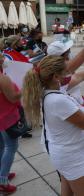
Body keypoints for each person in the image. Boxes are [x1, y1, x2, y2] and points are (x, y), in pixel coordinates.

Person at [22, 56, 84, 196]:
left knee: (67, 193)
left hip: (64, 153)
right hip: (71, 157)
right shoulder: (58, 100)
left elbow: (77, 77)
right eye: (66, 71)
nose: (69, 73)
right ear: (55, 76)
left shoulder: (49, 90)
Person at [0, 53, 21, 194]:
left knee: (1, 145)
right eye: (1, 55)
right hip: (6, 116)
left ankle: (3, 173)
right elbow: (13, 98)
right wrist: (25, 88)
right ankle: (2, 180)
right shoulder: (3, 78)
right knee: (11, 146)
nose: (4, 56)